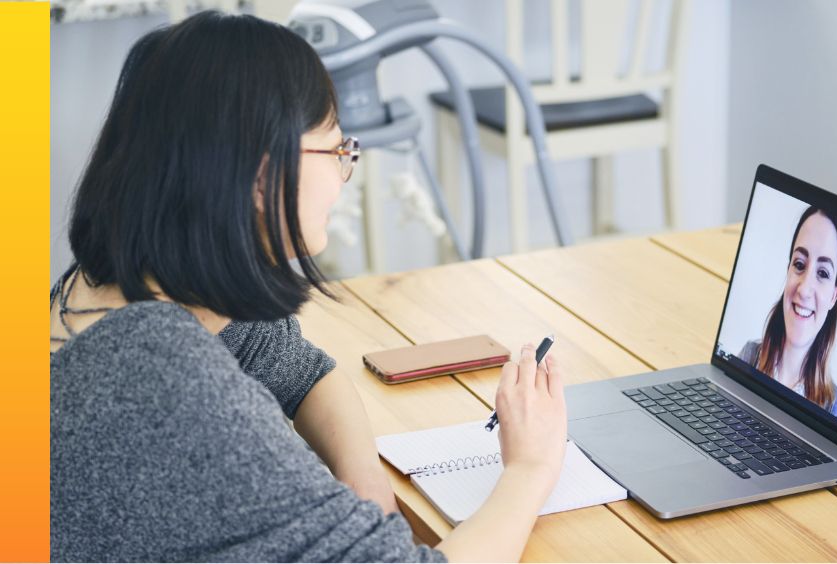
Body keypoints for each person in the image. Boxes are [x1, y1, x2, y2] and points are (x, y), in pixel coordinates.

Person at [50, 12, 567, 562]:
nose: (346, 173)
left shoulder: (104, 292)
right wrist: (530, 467)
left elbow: (297, 367)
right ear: (261, 175)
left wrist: (363, 477)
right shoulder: (170, 387)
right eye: (338, 151)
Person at [739, 206, 837, 420]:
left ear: (834, 295)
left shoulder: (834, 406)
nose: (805, 289)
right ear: (788, 270)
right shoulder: (749, 357)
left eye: (823, 273)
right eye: (799, 264)